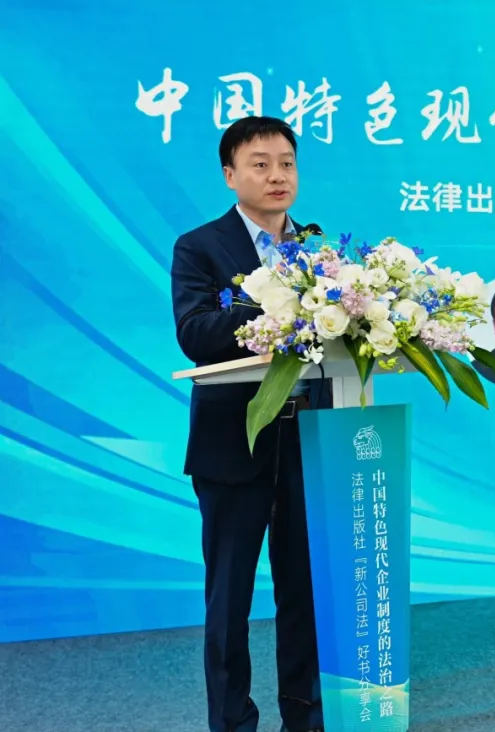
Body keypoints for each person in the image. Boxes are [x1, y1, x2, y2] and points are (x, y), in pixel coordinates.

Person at [170, 116, 329, 732]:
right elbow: (194, 333)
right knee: (230, 598)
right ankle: (233, 722)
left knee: (305, 591)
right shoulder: (199, 247)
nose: (277, 175)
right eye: (260, 164)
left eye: (286, 163)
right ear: (230, 175)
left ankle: (305, 717)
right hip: (233, 445)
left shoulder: (320, 252)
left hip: (311, 441)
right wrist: (274, 306)